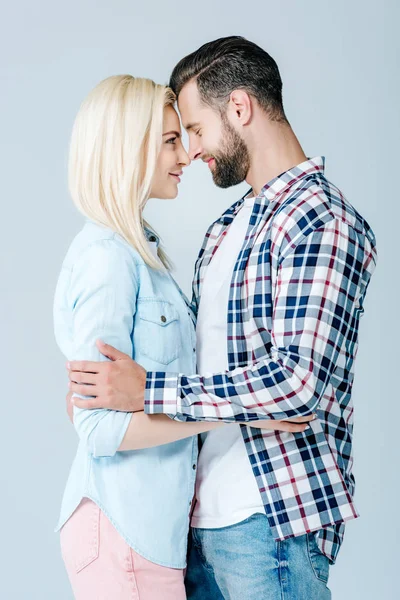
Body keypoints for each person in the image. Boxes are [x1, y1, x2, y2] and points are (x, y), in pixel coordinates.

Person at [55, 73, 312, 600]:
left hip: (153, 531)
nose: (187, 154)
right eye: (172, 139)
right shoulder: (107, 258)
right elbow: (98, 426)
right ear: (129, 148)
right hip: (126, 528)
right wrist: (245, 409)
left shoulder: (146, 256)